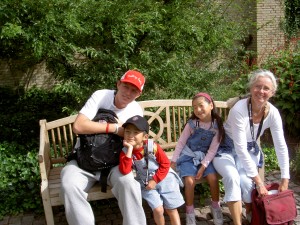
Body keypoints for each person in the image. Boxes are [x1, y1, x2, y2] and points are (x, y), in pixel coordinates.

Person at [60, 70, 147, 225]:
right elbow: (78, 126)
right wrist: (114, 128)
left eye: (134, 90)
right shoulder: (101, 96)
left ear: (139, 94)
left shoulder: (135, 110)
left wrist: (131, 137)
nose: (128, 93)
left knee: (129, 184)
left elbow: (137, 142)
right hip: (83, 162)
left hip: (114, 164)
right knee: (69, 182)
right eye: (126, 86)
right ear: (118, 84)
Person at [213, 69, 290, 225]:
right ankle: (237, 222)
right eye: (257, 86)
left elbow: (281, 145)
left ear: (272, 92)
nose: (261, 91)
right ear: (250, 88)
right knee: (232, 177)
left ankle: (250, 213)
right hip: (226, 149)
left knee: (247, 181)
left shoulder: (273, 113)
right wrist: (260, 183)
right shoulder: (239, 109)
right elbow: (239, 148)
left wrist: (285, 178)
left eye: (266, 88)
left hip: (249, 150)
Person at [119, 115, 185, 225]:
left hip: (164, 178)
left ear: (145, 137)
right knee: (158, 209)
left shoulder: (152, 146)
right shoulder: (125, 152)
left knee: (171, 209)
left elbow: (165, 164)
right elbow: (125, 171)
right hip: (145, 183)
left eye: (135, 133)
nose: (130, 135)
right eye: (127, 132)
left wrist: (155, 180)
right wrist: (129, 150)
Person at [171, 92, 225, 225]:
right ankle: (190, 212)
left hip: (205, 158)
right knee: (189, 181)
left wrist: (203, 166)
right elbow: (181, 142)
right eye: (194, 107)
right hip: (188, 156)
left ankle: (215, 207)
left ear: (211, 105)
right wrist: (173, 161)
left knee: (212, 178)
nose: (198, 110)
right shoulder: (192, 124)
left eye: (201, 105)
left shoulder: (216, 126)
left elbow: (213, 149)